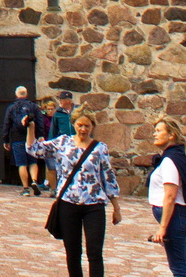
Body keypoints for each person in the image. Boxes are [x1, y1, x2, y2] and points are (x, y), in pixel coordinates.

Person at [29, 109, 121, 277]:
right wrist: (30, 128)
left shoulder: (100, 148)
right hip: (68, 203)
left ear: (92, 127)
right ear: (74, 124)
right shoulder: (63, 142)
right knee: (72, 252)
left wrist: (116, 207)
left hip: (94, 204)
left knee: (95, 251)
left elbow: (108, 177)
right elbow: (34, 150)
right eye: (80, 125)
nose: (83, 129)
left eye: (87, 126)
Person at [146, 117, 186, 277]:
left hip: (176, 216)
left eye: (159, 131)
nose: (154, 134)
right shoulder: (174, 157)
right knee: (178, 265)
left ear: (171, 135)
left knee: (179, 268)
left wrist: (162, 228)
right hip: (176, 217)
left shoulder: (170, 160)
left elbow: (170, 196)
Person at [2, 86, 41, 195]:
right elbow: (40, 121)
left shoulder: (11, 107)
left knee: (22, 163)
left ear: (16, 94)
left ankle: (25, 188)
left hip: (17, 138)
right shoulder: (34, 106)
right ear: (26, 94)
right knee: (33, 162)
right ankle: (34, 181)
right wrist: (40, 135)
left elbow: (6, 124)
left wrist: (5, 139)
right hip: (32, 138)